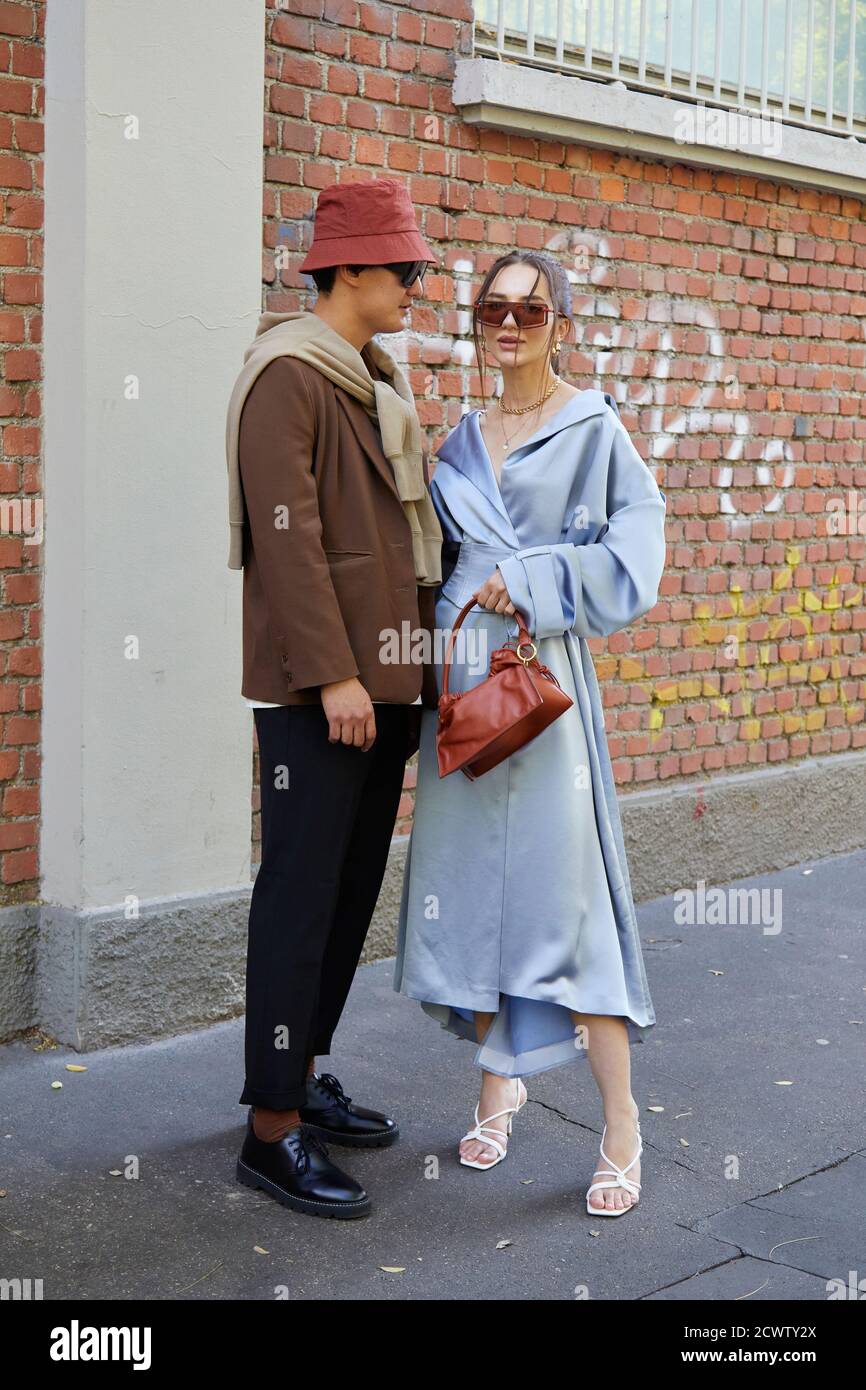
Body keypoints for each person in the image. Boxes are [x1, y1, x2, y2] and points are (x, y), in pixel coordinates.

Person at [393, 250, 667, 1215]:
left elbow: (638, 550)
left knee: (569, 908)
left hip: (540, 689)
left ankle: (622, 1123)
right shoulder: (461, 439)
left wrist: (544, 579)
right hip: (464, 696)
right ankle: (495, 1083)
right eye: (493, 309)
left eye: (531, 310)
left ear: (563, 323)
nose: (510, 325)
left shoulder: (594, 431)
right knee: (468, 900)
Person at [224, 178, 443, 1219]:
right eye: (402, 269)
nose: (414, 286)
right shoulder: (288, 375)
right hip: (328, 689)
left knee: (347, 897)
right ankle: (270, 1132)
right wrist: (335, 673)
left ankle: (301, 1075)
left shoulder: (370, 373)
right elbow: (287, 535)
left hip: (385, 682)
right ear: (347, 267)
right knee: (299, 900)